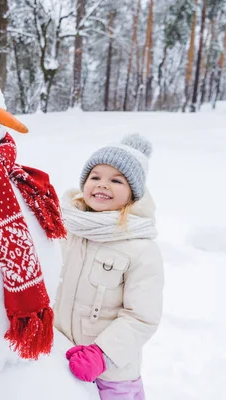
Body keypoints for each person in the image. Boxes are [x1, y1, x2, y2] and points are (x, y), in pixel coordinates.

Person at [54, 134, 164, 399]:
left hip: (111, 375)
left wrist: (102, 355)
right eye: (95, 176)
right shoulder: (67, 229)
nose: (103, 185)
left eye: (116, 180)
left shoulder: (141, 248)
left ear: (133, 193)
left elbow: (141, 317)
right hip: (59, 358)